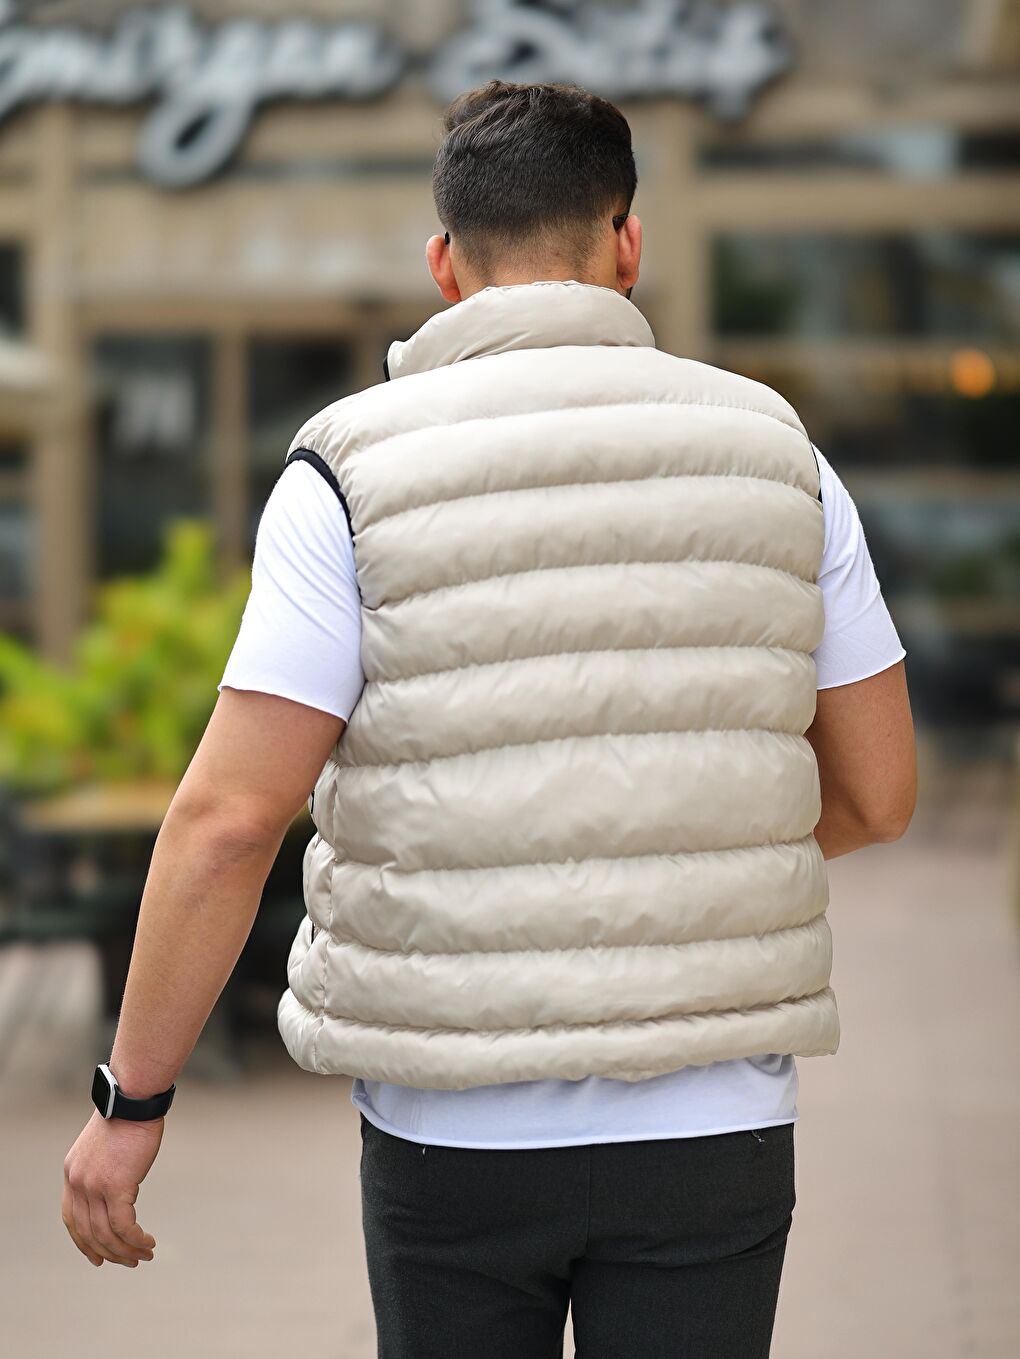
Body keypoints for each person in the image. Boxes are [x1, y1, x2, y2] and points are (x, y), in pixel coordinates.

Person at [61, 80, 916, 1358]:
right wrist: (672, 857)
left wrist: (131, 1103)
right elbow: (877, 794)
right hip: (715, 1114)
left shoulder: (346, 469)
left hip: (451, 1123)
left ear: (444, 265)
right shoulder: (782, 454)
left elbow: (231, 821)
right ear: (628, 244)